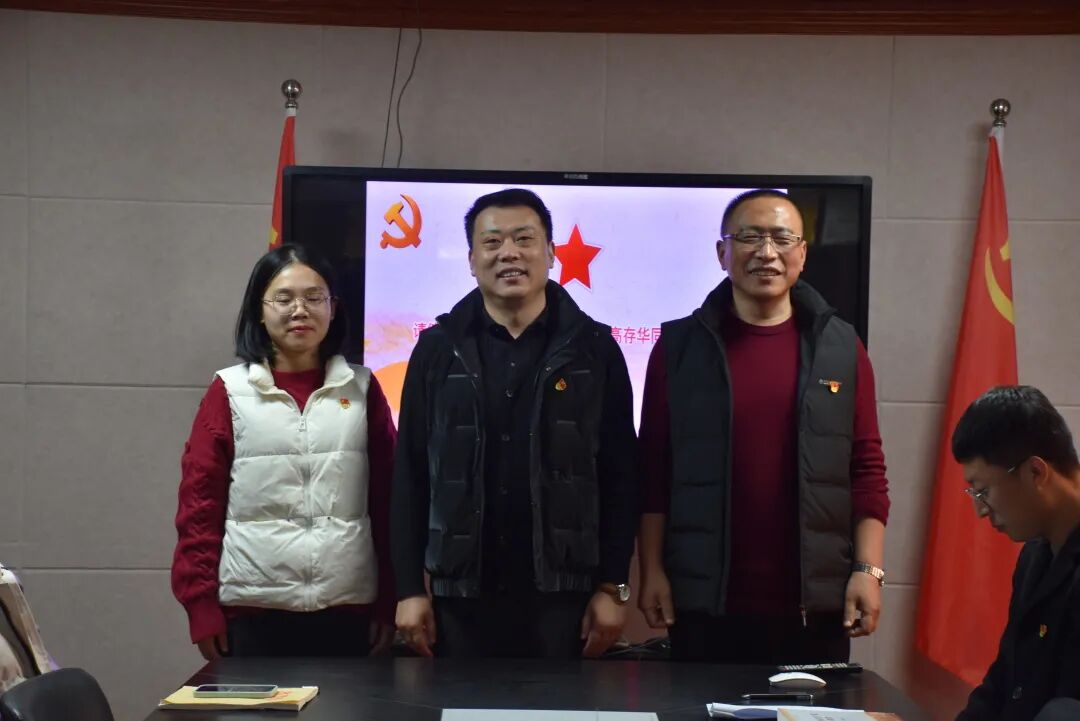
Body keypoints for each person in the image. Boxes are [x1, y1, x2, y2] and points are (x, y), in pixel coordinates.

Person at [637, 189, 890, 663]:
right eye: (750, 237)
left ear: (802, 254)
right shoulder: (677, 347)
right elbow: (654, 472)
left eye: (781, 238)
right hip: (704, 603)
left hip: (815, 604)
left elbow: (866, 467)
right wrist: (651, 570)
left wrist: (868, 569)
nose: (766, 252)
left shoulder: (841, 347)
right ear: (722, 253)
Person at [390, 188, 639, 659]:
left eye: (524, 239)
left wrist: (613, 586)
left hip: (563, 596)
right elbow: (411, 473)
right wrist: (408, 589)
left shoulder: (595, 349)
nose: (509, 253)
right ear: (471, 260)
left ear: (551, 252)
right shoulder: (437, 350)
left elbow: (621, 476)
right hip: (461, 595)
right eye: (492, 242)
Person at [171, 244, 397, 658]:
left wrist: (389, 600)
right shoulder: (229, 391)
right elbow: (199, 506)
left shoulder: (361, 389)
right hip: (252, 612)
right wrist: (201, 605)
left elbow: (388, 502)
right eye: (284, 298)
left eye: (314, 298)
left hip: (349, 610)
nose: (300, 310)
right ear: (259, 310)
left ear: (333, 308)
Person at [953, 385, 1080, 721]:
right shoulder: (1035, 557)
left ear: (1035, 472)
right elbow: (1003, 684)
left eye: (983, 492)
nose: (981, 511)